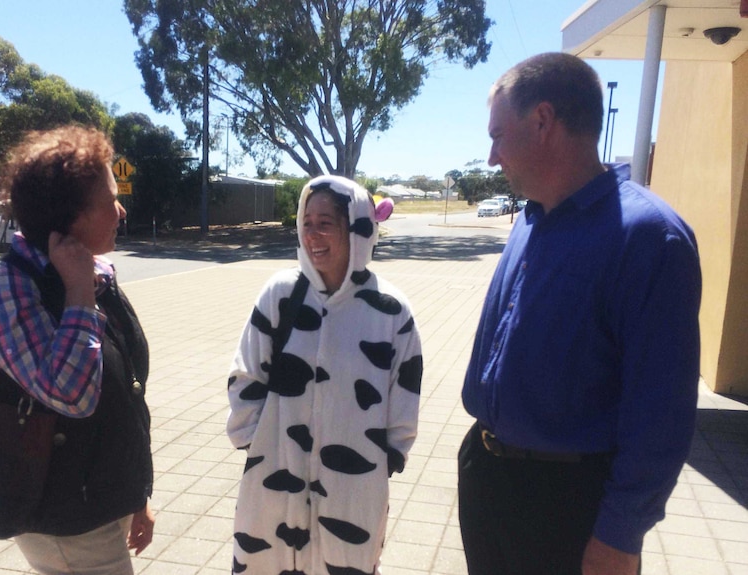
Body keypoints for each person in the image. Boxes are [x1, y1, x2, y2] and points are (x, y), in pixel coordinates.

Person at [458, 52, 702, 575]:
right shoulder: (529, 218)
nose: (492, 156)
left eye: (499, 135)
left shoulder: (650, 238)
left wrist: (620, 534)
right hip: (489, 477)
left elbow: (661, 413)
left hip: (567, 505)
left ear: (543, 121)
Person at [0, 125, 154, 574]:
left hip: (100, 497)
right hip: (60, 516)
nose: (121, 210)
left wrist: (137, 496)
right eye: (110, 201)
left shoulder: (94, 270)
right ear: (71, 217)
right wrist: (78, 295)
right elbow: (73, 396)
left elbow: (125, 391)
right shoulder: (1, 290)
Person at [226, 175, 423, 574]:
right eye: (306, 222)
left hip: (353, 491)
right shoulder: (280, 295)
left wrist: (377, 464)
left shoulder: (391, 312)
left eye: (326, 222)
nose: (313, 234)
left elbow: (404, 403)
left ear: (357, 228)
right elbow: (245, 376)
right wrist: (260, 450)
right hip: (272, 483)